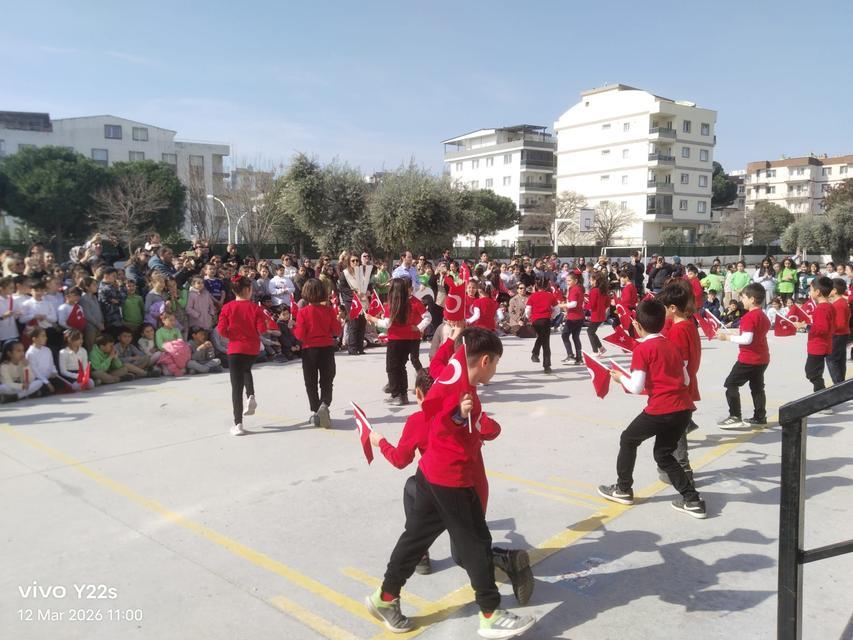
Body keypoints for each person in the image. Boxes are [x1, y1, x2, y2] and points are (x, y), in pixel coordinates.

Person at [366, 328, 536, 638]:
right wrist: (459, 416)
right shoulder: (458, 390)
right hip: (451, 478)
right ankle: (490, 613)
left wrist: (456, 336)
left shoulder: (457, 375)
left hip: (430, 475)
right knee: (476, 544)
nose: (496, 369)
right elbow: (444, 414)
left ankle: (384, 598)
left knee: (415, 540)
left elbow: (445, 379)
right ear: (485, 360)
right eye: (496, 363)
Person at [601, 299, 707, 519]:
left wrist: (620, 378)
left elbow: (636, 386)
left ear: (637, 325)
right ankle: (692, 500)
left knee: (628, 439)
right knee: (663, 453)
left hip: (662, 408)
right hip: (683, 409)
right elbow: (686, 378)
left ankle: (623, 488)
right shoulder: (673, 345)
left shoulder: (643, 349)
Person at [217, 276, 277, 435]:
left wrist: (233, 334)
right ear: (248, 290)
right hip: (252, 348)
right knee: (246, 370)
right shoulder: (255, 308)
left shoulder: (227, 307)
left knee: (236, 388)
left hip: (235, 348)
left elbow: (221, 330)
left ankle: (238, 424)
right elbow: (262, 330)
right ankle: (250, 395)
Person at [656, 282, 701, 482]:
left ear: (673, 308)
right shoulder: (687, 325)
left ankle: (683, 470)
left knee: (676, 432)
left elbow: (679, 363)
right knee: (675, 430)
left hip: (678, 387)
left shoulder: (678, 330)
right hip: (685, 384)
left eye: (664, 307)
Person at [367, 278, 431, 406]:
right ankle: (403, 395)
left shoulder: (392, 304)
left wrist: (372, 319)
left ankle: (397, 394)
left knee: (392, 367)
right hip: (408, 339)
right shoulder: (410, 303)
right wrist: (418, 327)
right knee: (401, 367)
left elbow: (387, 324)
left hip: (396, 339)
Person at [716, 283, 770, 429]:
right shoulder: (763, 316)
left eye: (744, 298)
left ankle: (735, 416)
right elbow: (753, 335)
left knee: (731, 384)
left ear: (752, 299)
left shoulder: (749, 317)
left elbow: (747, 339)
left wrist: (726, 338)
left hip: (748, 359)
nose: (742, 300)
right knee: (757, 388)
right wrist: (734, 334)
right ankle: (760, 416)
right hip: (762, 358)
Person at [292, 278, 340, 428]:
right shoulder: (329, 310)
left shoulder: (303, 312)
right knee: (327, 380)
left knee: (310, 382)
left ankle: (316, 411)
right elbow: (337, 331)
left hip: (309, 350)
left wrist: (293, 327)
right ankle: (324, 403)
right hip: (326, 348)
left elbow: (299, 335)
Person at [792, 276, 835, 400]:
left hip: (818, 346)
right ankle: (821, 395)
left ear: (817, 292)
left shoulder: (822, 308)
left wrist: (804, 325)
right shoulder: (828, 306)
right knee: (815, 372)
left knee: (812, 372)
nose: (809, 293)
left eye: (810, 290)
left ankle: (823, 398)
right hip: (823, 344)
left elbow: (822, 328)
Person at [525, 279, 560, 374]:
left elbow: (528, 310)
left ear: (536, 285)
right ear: (547, 286)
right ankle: (546, 365)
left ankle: (535, 353)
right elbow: (557, 309)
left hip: (535, 320)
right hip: (546, 320)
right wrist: (552, 316)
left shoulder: (532, 296)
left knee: (541, 337)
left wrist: (530, 318)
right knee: (546, 343)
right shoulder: (550, 295)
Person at [24, 327, 66, 394]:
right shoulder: (30, 353)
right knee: (41, 385)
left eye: (45, 336)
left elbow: (52, 364)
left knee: (61, 384)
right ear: (34, 339)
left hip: (49, 377)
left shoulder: (47, 350)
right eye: (43, 336)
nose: (46, 338)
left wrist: (54, 372)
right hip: (38, 379)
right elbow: (35, 371)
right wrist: (47, 382)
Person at [827, 278, 850, 386]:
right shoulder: (841, 302)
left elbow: (840, 324)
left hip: (837, 335)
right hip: (841, 335)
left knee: (832, 360)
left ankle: (838, 384)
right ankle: (840, 384)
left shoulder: (839, 304)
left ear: (834, 290)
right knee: (839, 360)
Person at [560, 271, 585, 365]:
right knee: (575, 337)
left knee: (565, 335)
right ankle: (579, 358)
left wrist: (562, 305)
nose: (567, 282)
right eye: (567, 280)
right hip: (579, 316)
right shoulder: (579, 288)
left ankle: (570, 356)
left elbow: (573, 304)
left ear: (575, 280)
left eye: (569, 280)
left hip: (574, 317)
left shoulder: (574, 289)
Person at [586, 270, 609, 356]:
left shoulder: (594, 291)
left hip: (596, 315)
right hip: (601, 315)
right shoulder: (603, 290)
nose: (590, 281)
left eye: (591, 280)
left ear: (595, 281)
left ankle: (595, 351)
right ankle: (601, 348)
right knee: (592, 331)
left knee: (590, 332)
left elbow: (591, 305)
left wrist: (585, 306)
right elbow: (607, 303)